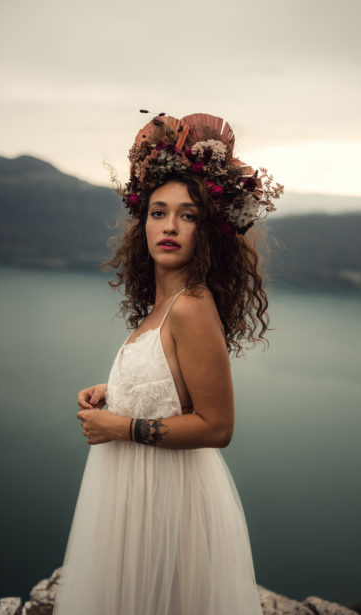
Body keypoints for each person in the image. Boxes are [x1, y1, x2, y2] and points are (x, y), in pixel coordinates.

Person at [52, 112, 284, 615]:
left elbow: (217, 426)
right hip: (137, 497)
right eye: (158, 212)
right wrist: (113, 391)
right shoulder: (163, 306)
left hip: (169, 504)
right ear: (144, 222)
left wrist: (119, 425)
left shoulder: (192, 305)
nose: (170, 227)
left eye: (187, 215)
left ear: (208, 229)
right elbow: (172, 387)